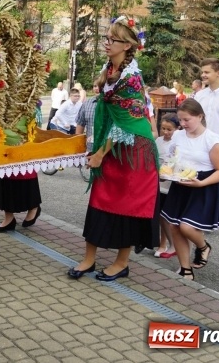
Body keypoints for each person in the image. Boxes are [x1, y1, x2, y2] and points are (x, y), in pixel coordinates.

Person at [68, 16, 159, 282]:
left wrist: (99, 153)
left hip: (134, 151)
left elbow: (126, 125)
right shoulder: (110, 69)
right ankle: (88, 259)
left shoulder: (132, 79)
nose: (106, 43)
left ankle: (121, 263)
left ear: (127, 45)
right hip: (113, 145)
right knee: (99, 199)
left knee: (127, 206)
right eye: (106, 38)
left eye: (112, 39)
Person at [161, 99, 219, 281]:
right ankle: (185, 269)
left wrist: (201, 183)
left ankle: (203, 246)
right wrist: (166, 172)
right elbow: (172, 159)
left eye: (187, 120)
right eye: (180, 120)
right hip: (180, 183)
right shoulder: (178, 136)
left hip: (203, 185)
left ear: (200, 116)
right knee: (174, 227)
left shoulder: (212, 140)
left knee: (186, 227)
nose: (183, 124)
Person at [154, 114, 180, 259]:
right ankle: (162, 243)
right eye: (163, 128)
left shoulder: (178, 143)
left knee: (166, 215)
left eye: (169, 129)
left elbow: (177, 161)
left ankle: (170, 244)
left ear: (177, 129)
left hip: (170, 182)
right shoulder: (158, 141)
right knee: (159, 214)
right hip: (158, 180)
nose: (165, 132)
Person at [75, 82, 101, 156]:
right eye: (94, 86)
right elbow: (80, 124)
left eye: (99, 86)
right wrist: (78, 146)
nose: (96, 88)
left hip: (106, 151)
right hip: (90, 150)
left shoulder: (113, 104)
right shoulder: (87, 104)